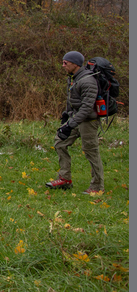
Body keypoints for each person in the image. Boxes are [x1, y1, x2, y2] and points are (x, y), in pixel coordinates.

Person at [46, 51, 103, 194]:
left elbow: (86, 108)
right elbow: (71, 100)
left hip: (88, 121)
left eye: (66, 63)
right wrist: (66, 115)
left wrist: (71, 124)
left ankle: (97, 186)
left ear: (75, 64)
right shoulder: (72, 78)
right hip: (76, 118)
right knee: (60, 142)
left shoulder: (88, 81)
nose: (63, 65)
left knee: (91, 151)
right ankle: (65, 179)